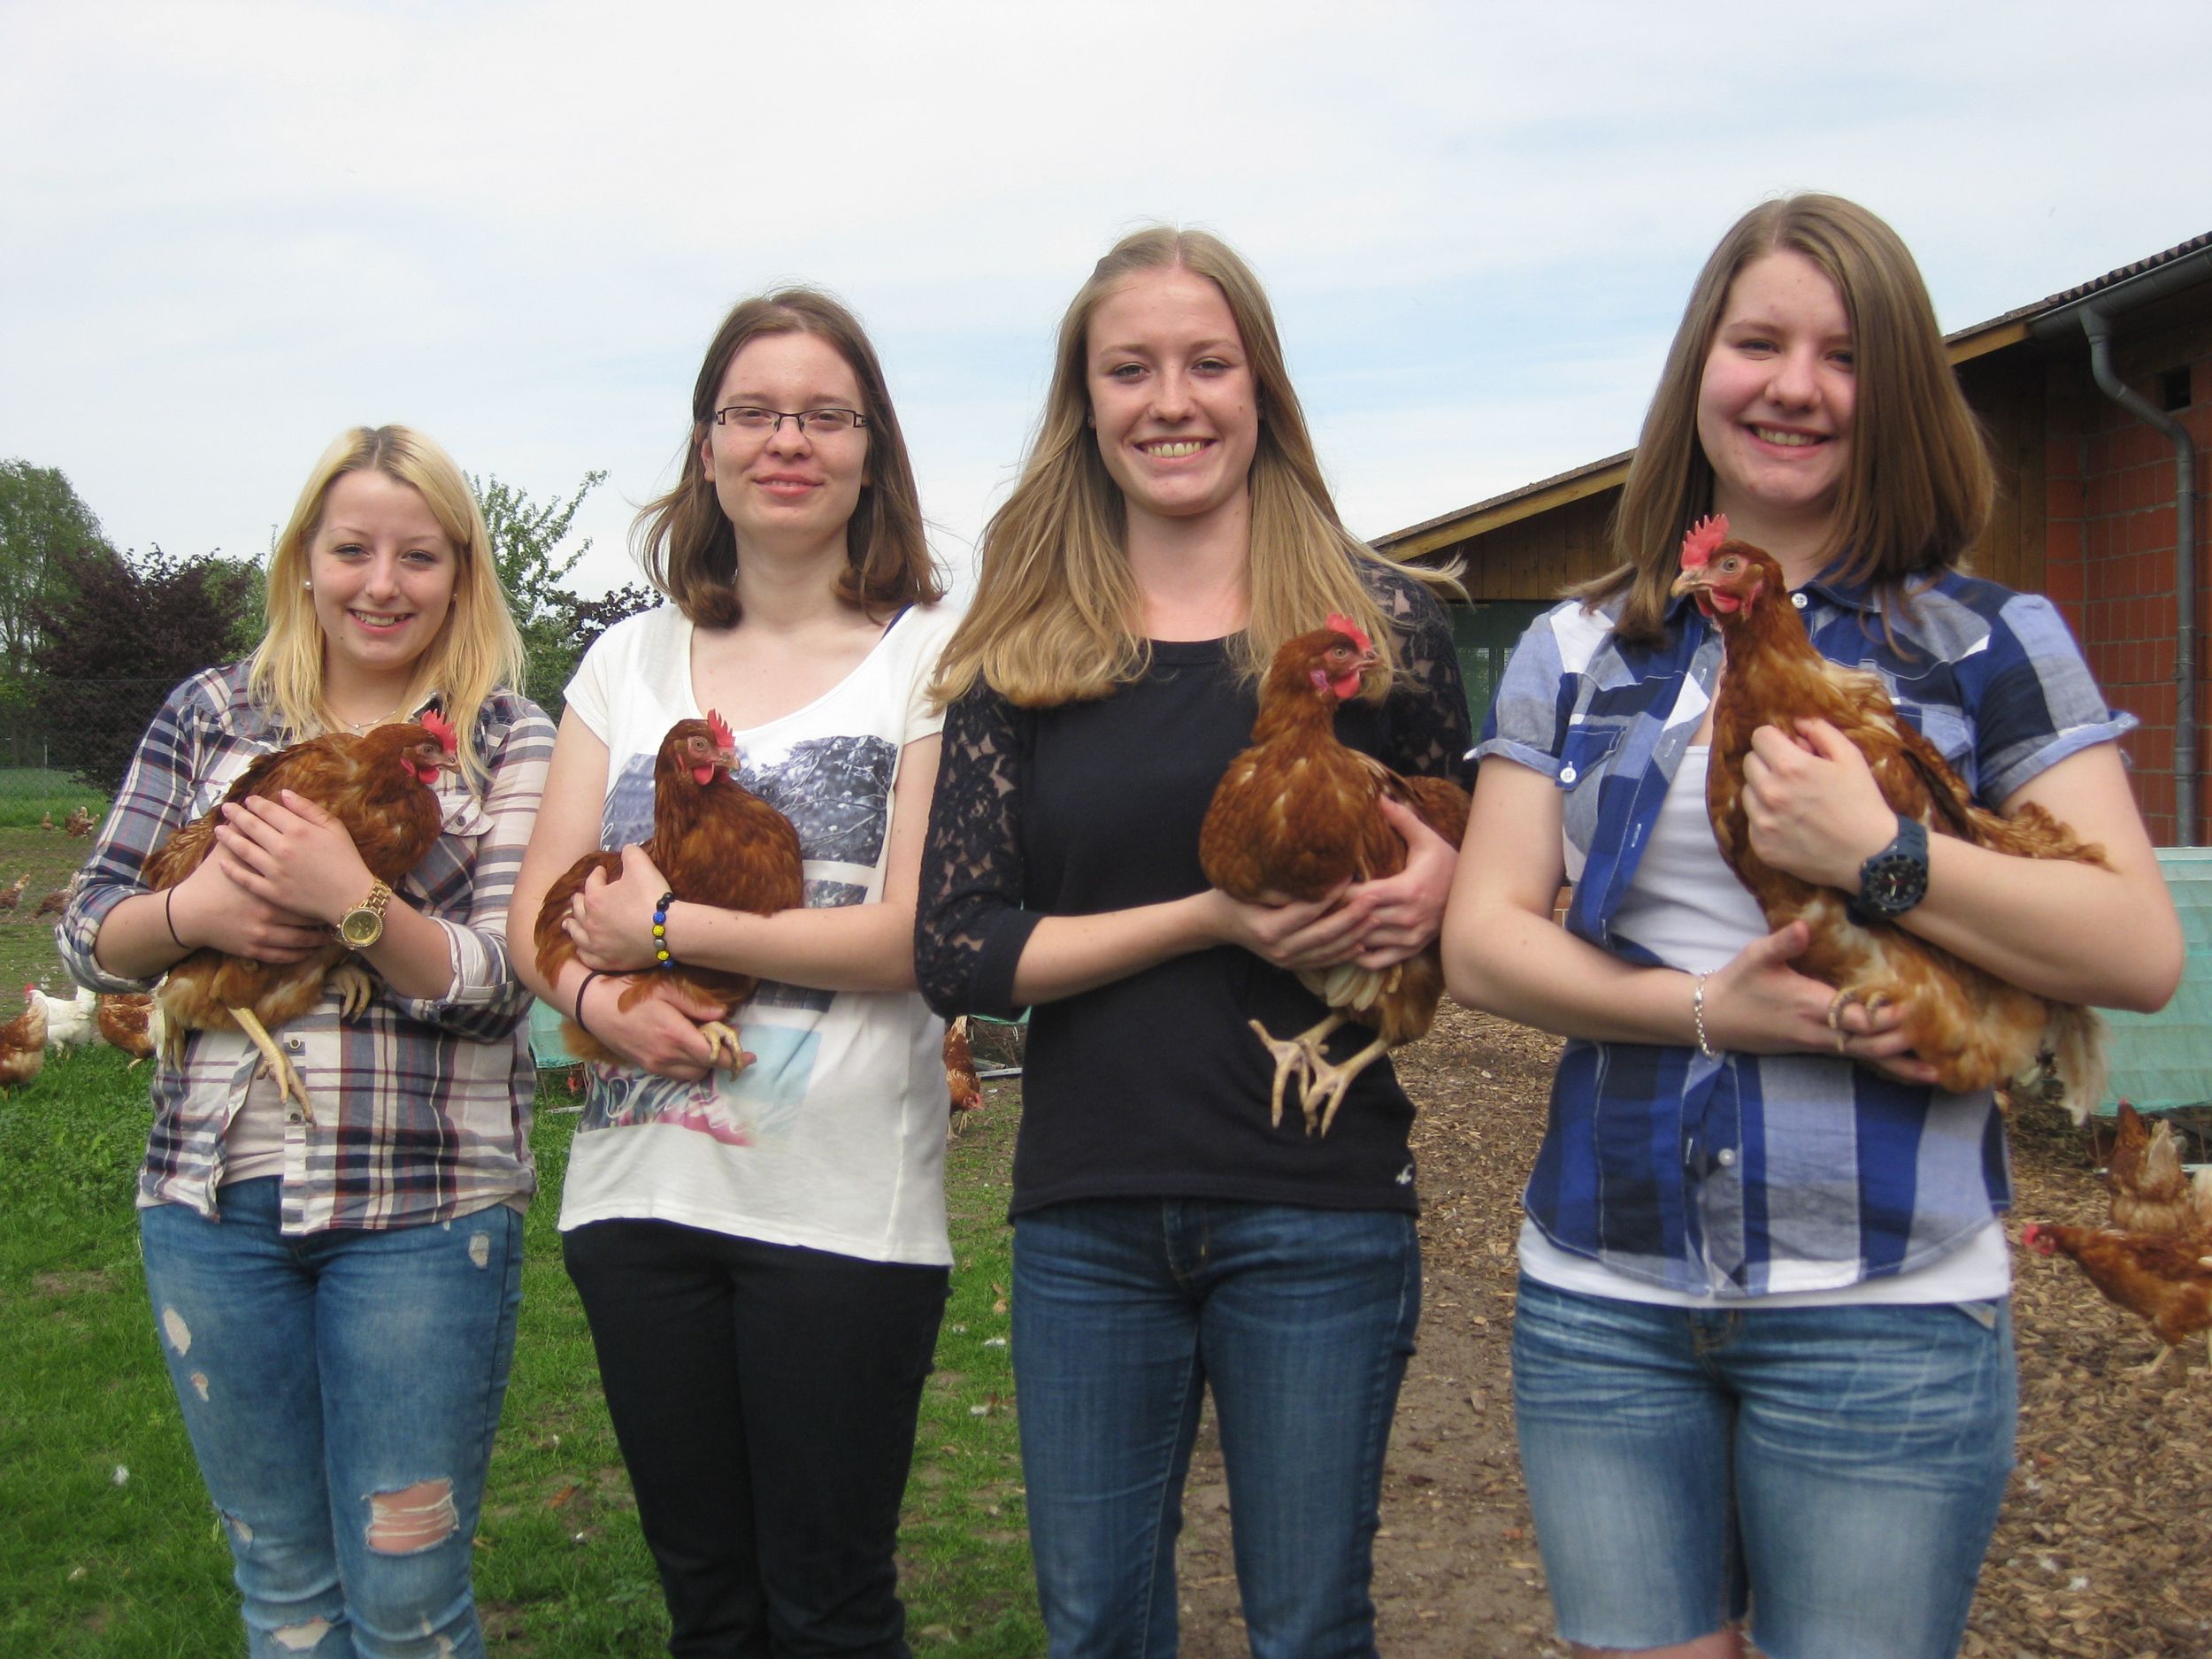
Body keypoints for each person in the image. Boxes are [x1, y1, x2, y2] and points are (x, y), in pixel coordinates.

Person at [1442, 194, 2184, 1659]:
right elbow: (1481, 942)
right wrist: (1717, 1009)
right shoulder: (1578, 646)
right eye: (1758, 341)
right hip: (1607, 1288)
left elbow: (2136, 952)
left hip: (1888, 1301)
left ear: (1895, 390)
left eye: (1840, 355)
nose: (1792, 384)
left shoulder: (1985, 638)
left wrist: (1883, 856)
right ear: (1699, 372)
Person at [915, 227, 1471, 1659]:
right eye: (1132, 369)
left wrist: (1445, 898)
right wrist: (1213, 916)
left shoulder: (1381, 624)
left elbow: (1474, 877)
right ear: (1085, 405)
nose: (1173, 399)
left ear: (1260, 389)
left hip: (1322, 1202)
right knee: (1098, 1625)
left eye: (1208, 363)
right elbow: (959, 951)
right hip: (1092, 1204)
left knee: (1306, 1626)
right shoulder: (1023, 643)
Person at [510, 287, 956, 1659]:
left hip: (845, 1214)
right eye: (753, 413)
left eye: (825, 415)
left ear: (872, 449)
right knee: (708, 1600)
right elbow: (540, 919)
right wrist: (601, 1010)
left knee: (828, 1600)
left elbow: (912, 935)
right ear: (706, 447)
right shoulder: (625, 658)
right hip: (642, 1197)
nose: (788, 441)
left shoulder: (936, 655)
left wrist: (664, 943)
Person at [60, 426, 552, 1659]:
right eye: (352, 550)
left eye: (419, 556)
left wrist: (355, 900)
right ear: (305, 563)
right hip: (208, 1204)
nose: (382, 583)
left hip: (425, 1210)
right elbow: (86, 932)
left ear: (460, 573)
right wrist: (194, 917)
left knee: (407, 1596)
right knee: (281, 1587)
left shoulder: (507, 736)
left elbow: (507, 979)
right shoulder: (211, 712)